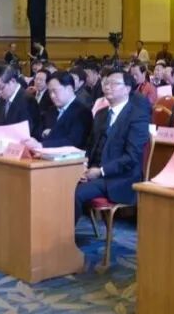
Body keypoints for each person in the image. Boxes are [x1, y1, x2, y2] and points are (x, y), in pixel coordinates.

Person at [75, 69, 152, 221]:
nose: (108, 87)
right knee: (58, 184)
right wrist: (83, 165)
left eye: (114, 84)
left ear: (127, 89)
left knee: (75, 193)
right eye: (106, 83)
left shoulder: (138, 116)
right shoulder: (101, 114)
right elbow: (90, 145)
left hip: (119, 178)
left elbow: (131, 157)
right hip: (94, 171)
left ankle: (64, 235)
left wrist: (100, 171)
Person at [36, 71, 93, 149]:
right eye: (50, 92)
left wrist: (42, 145)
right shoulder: (51, 110)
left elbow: (74, 141)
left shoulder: (82, 112)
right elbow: (40, 132)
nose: (52, 96)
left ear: (69, 88)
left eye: (55, 91)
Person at [0, 67, 32, 131]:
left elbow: (28, 131)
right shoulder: (1, 100)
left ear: (13, 81)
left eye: (1, 87)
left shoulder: (28, 101)